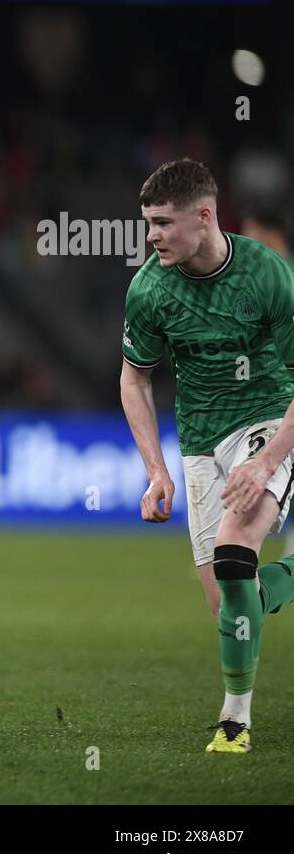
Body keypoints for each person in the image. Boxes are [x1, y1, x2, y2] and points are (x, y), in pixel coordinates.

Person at [120, 159, 294, 753]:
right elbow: (134, 380)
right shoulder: (149, 289)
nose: (152, 236)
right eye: (147, 224)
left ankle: (234, 721)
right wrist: (156, 470)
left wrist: (269, 459)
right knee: (229, 605)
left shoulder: (267, 273)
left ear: (204, 215)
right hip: (198, 443)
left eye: (163, 223)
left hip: (268, 424)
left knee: (234, 554)